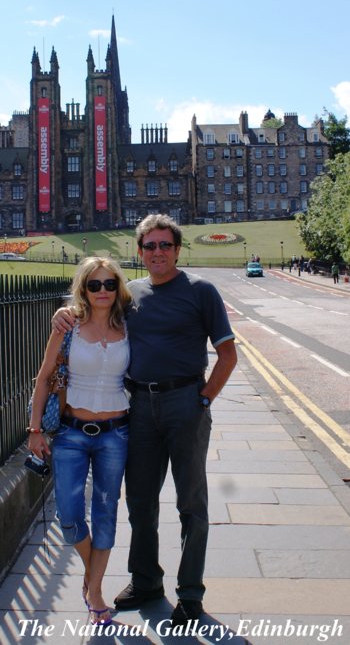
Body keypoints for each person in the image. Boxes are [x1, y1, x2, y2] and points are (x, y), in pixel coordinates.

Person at [52, 214, 237, 631]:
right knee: (139, 500)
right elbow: (91, 309)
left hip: (184, 402)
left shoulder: (201, 292)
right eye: (149, 246)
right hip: (137, 405)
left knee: (191, 503)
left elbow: (227, 355)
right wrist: (62, 315)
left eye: (165, 245)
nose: (157, 252)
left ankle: (190, 593)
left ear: (177, 249)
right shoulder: (129, 294)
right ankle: (146, 580)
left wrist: (203, 401)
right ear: (140, 252)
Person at [27, 257, 132, 627]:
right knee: (69, 515)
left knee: (106, 511)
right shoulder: (67, 325)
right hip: (71, 433)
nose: (102, 291)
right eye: (94, 285)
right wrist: (35, 429)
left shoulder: (128, 324)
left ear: (118, 287)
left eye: (108, 284)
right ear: (83, 289)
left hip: (116, 433)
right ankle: (93, 576)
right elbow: (43, 379)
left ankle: (96, 593)